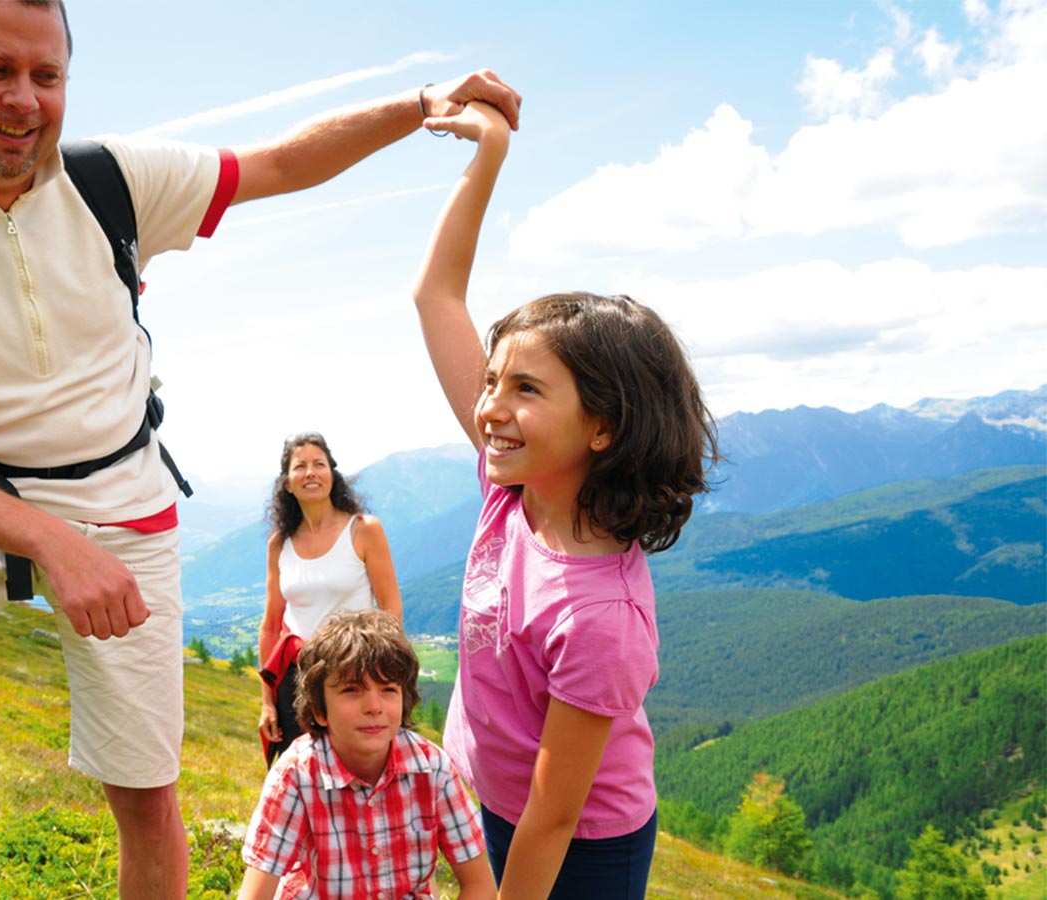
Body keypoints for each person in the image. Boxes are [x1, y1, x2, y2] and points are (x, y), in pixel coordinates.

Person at [0, 2, 522, 898]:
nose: (23, 101)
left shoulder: (114, 181)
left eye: (46, 75)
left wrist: (418, 103)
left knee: (146, 797)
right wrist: (53, 543)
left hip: (125, 509)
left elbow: (285, 162)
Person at [408, 101, 718, 899]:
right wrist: (489, 156)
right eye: (491, 382)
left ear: (603, 426)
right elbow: (435, 297)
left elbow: (555, 816)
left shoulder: (599, 619)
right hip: (489, 797)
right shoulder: (509, 486)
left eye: (526, 389)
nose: (489, 408)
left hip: (581, 846)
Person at [238, 609, 495, 900]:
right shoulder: (296, 775)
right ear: (320, 710)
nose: (374, 706)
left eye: (388, 689)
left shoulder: (432, 767)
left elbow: (479, 885)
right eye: (352, 690)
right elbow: (255, 894)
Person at [258, 432, 401, 766]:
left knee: (356, 767)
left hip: (354, 672)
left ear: (332, 475)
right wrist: (267, 701)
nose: (310, 472)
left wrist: (380, 675)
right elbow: (269, 627)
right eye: (300, 466)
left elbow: (390, 609)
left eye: (319, 464)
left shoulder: (363, 529)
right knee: (301, 775)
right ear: (288, 484)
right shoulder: (280, 544)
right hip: (295, 680)